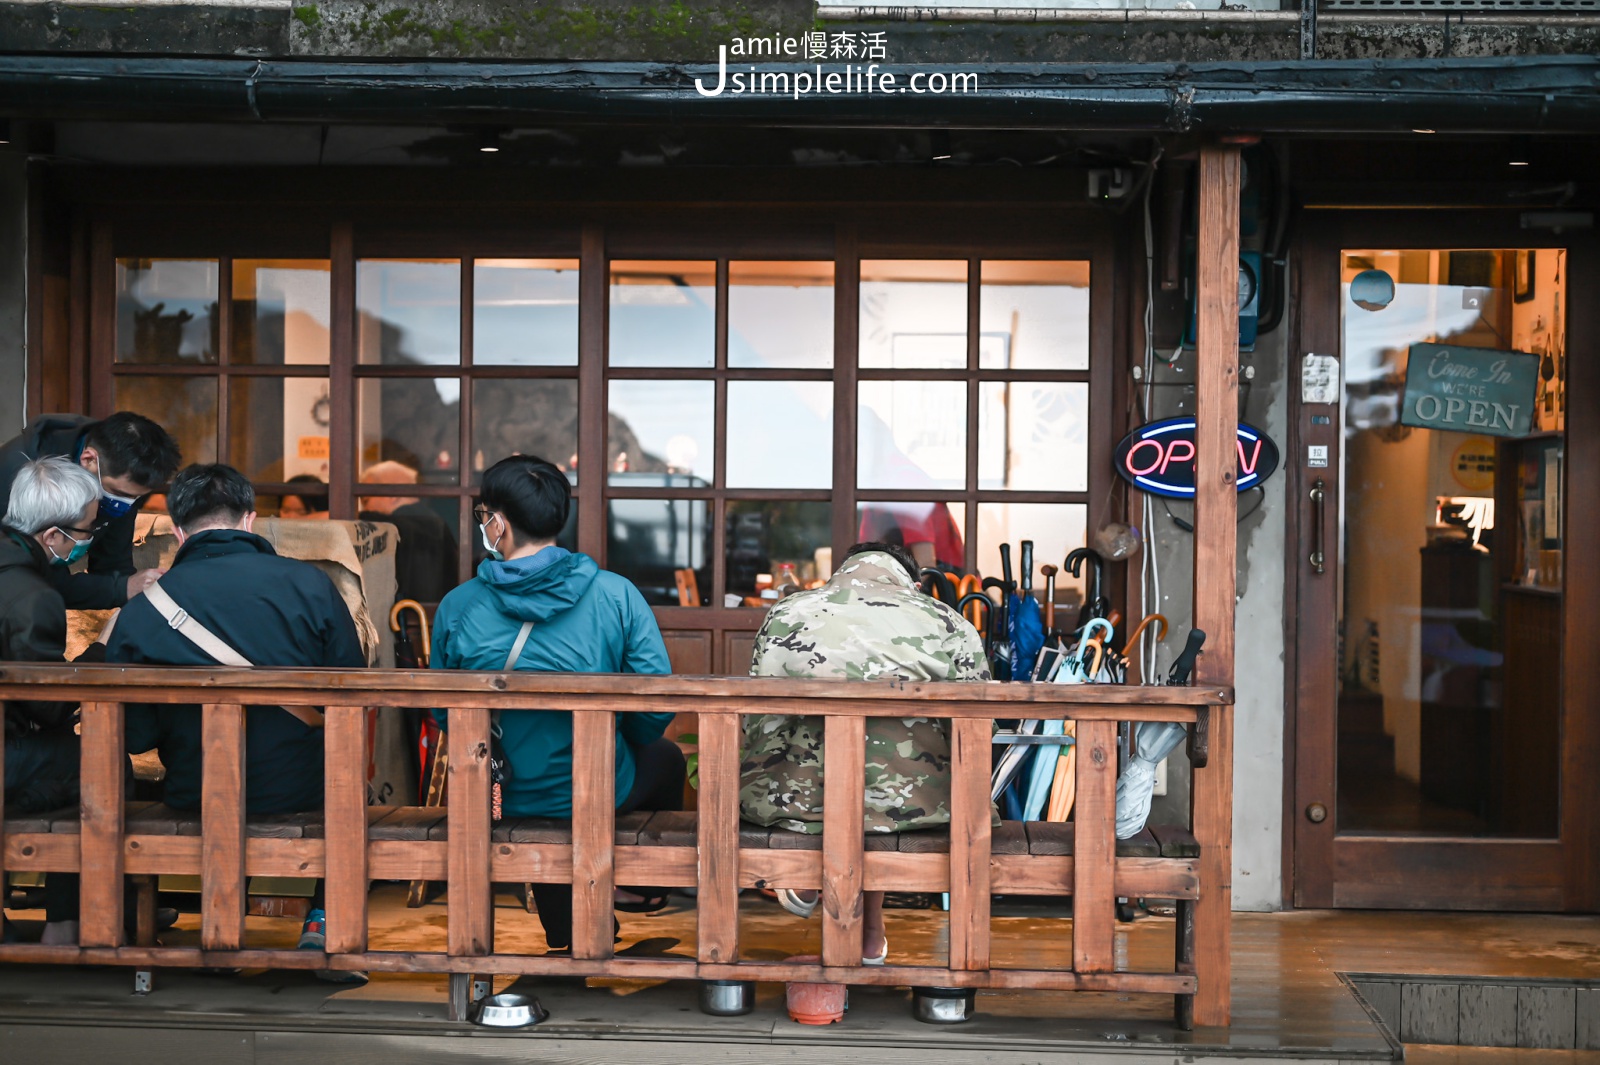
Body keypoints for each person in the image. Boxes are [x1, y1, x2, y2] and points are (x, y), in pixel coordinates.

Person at [103, 463, 366, 976]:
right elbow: (351, 696)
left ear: (178, 531)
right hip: (302, 790)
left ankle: (219, 925)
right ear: (250, 520)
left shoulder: (145, 607)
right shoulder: (310, 585)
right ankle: (322, 920)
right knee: (345, 783)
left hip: (195, 793)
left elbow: (132, 736)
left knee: (212, 778)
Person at [430, 455, 679, 953]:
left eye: (485, 514)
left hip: (497, 793)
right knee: (663, 760)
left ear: (497, 523)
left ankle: (570, 932)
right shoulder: (616, 595)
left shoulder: (459, 605)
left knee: (538, 785)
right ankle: (640, 887)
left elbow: (442, 713)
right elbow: (656, 703)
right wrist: (618, 739)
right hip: (595, 787)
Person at [740, 542, 990, 964]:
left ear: (842, 572)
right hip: (917, 809)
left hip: (799, 807)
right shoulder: (946, 620)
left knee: (801, 756)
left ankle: (807, 875)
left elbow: (762, 720)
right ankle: (870, 932)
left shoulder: (788, 613)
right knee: (887, 791)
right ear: (912, 583)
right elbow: (981, 723)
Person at [0, 457, 117, 944]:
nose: (91, 538)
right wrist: (104, 649)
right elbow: (47, 707)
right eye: (88, 530)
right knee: (104, 764)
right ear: (52, 537)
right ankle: (68, 921)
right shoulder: (32, 596)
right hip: (7, 755)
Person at [0, 412, 180, 609]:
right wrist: (122, 588)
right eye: (118, 493)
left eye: (135, 498)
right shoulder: (22, 477)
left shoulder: (118, 471)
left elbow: (113, 562)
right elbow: (29, 578)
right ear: (88, 459)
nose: (125, 505)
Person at [359, 460, 458, 603]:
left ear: (392, 495)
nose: (364, 507)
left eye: (366, 499)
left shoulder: (399, 523)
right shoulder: (430, 519)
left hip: (410, 615)